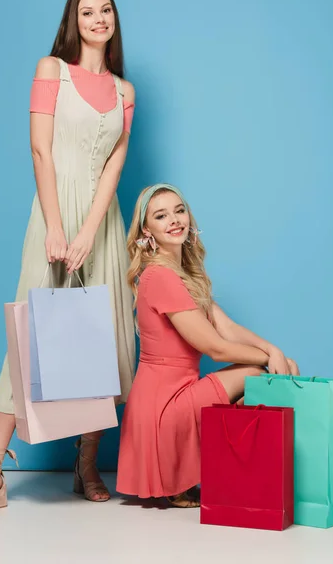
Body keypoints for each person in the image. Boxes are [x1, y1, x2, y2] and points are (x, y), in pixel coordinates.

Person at [0, 0, 136, 517]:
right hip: (54, 216)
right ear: (73, 20)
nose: (98, 18)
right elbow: (40, 148)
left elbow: (115, 164)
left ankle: (86, 465)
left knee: (99, 341)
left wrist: (90, 230)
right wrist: (59, 228)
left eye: (105, 10)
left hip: (101, 225)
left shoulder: (126, 91)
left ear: (114, 19)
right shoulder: (50, 70)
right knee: (30, 339)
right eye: (87, 11)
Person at [116, 184, 299, 507]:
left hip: (177, 393)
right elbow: (215, 348)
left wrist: (275, 350)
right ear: (147, 230)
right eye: (161, 216)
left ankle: (226, 472)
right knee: (255, 374)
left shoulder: (184, 272)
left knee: (258, 372)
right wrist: (270, 358)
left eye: (179, 210)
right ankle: (184, 476)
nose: (174, 220)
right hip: (163, 407)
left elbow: (226, 326)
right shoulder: (159, 276)